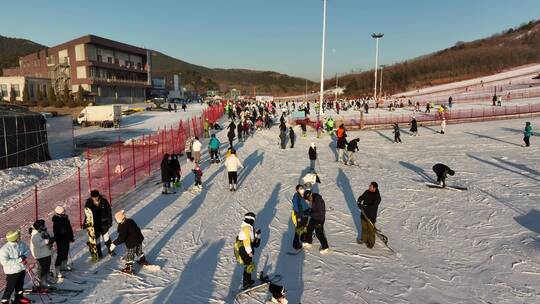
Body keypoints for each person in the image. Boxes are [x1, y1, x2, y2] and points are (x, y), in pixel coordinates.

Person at [0, 230, 32, 304]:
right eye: (18, 236)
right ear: (14, 238)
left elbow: (27, 250)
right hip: (12, 272)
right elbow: (4, 262)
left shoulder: (21, 243)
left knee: (20, 285)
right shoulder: (5, 249)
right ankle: (5, 300)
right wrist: (19, 260)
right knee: (10, 287)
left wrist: (24, 256)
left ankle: (19, 297)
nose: (20, 237)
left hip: (21, 269)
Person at [84, 190, 114, 259]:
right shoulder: (89, 203)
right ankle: (99, 253)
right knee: (97, 240)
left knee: (106, 237)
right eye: (93, 197)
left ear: (98, 195)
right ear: (91, 197)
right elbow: (87, 214)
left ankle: (111, 250)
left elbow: (109, 212)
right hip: (95, 225)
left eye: (96, 197)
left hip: (104, 224)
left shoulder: (104, 201)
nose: (95, 198)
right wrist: (86, 223)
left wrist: (110, 222)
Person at [234, 212, 261, 289]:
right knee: (248, 265)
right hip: (244, 250)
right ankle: (246, 283)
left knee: (248, 264)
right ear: (250, 220)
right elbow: (246, 242)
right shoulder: (246, 228)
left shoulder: (249, 227)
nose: (254, 221)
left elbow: (251, 237)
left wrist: (256, 234)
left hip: (246, 248)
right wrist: (249, 252)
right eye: (253, 219)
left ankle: (248, 281)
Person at [29, 219, 53, 287]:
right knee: (42, 268)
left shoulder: (43, 232)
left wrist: (51, 239)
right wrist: (47, 241)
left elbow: (49, 237)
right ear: (40, 226)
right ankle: (42, 281)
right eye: (43, 225)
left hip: (47, 253)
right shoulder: (35, 235)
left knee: (47, 267)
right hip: (40, 255)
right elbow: (38, 244)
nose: (45, 226)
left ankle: (46, 279)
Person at [356, 182, 381, 248]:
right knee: (364, 228)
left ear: (374, 188)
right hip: (364, 214)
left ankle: (371, 243)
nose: (369, 186)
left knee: (371, 230)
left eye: (370, 186)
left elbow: (373, 206)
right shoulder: (367, 192)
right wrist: (359, 201)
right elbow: (362, 197)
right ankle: (364, 239)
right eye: (369, 185)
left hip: (371, 216)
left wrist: (364, 206)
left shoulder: (377, 197)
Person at [52, 206, 74, 278]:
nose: (65, 212)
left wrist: (71, 237)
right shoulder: (57, 221)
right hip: (61, 240)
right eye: (63, 212)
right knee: (60, 254)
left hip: (66, 238)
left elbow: (69, 228)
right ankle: (57, 269)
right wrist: (62, 235)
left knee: (66, 252)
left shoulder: (65, 218)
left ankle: (64, 265)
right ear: (59, 213)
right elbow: (57, 232)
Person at [291, 185, 309, 251]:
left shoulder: (303, 196)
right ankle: (295, 245)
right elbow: (295, 207)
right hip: (300, 216)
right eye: (300, 188)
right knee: (298, 229)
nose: (302, 189)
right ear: (297, 190)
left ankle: (303, 238)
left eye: (302, 188)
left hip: (305, 215)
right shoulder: (296, 197)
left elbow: (305, 204)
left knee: (304, 227)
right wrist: (300, 213)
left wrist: (308, 210)